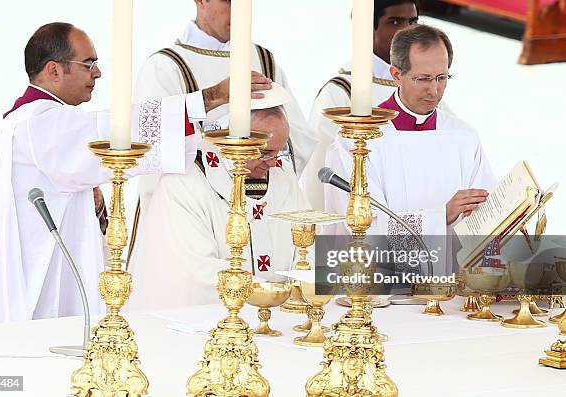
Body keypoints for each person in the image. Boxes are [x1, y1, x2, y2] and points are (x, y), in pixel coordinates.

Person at [0, 22, 270, 326]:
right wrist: (212, 96)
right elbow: (117, 134)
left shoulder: (24, 121)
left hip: (26, 267)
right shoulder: (40, 121)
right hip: (37, 279)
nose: (98, 72)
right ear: (54, 70)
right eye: (88, 63)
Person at [131, 0, 316, 234]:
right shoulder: (166, 66)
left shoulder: (264, 60)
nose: (239, 10)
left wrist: (266, 146)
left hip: (263, 213)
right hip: (194, 218)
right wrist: (229, 139)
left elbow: (299, 139)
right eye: (229, 1)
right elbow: (149, 147)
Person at [324, 25, 496, 271]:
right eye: (423, 79)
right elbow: (364, 228)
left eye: (442, 78)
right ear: (396, 74)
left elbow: (486, 216)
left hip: (452, 286)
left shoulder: (463, 137)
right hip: (382, 285)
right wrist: (441, 215)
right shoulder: (357, 140)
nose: (434, 91)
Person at [127, 93, 311, 310]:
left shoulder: (282, 173)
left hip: (281, 319)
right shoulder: (186, 178)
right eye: (265, 152)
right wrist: (268, 295)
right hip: (208, 325)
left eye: (280, 153)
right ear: (234, 138)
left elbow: (308, 239)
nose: (273, 163)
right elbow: (193, 271)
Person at [303, 0, 423, 210]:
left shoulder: (425, 90)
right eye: (395, 22)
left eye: (413, 21)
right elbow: (319, 175)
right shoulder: (341, 92)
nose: (407, 32)